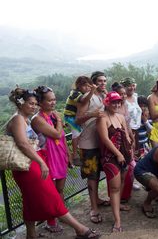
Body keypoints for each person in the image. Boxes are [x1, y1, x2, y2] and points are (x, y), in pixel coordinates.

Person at [6, 87, 99, 239]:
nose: (34, 106)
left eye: (35, 103)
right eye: (30, 103)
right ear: (20, 103)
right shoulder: (18, 119)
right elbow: (23, 144)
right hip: (31, 165)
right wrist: (41, 163)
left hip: (30, 164)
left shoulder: (24, 119)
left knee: (30, 202)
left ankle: (31, 235)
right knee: (52, 197)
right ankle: (80, 229)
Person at [31, 86, 69, 232]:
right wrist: (59, 121)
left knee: (59, 189)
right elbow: (57, 134)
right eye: (49, 100)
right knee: (50, 191)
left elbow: (63, 138)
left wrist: (69, 155)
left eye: (54, 99)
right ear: (40, 102)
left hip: (59, 155)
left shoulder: (53, 115)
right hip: (47, 157)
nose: (53, 103)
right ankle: (50, 221)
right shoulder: (37, 119)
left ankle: (61, 214)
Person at [75, 71, 109, 224]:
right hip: (88, 144)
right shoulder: (84, 98)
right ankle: (94, 208)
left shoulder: (100, 96)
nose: (103, 84)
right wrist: (92, 115)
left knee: (100, 173)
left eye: (104, 81)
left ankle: (98, 200)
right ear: (92, 84)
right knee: (92, 177)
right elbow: (77, 120)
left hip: (101, 140)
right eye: (99, 81)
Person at [97, 91, 133, 232]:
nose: (117, 104)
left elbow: (126, 135)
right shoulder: (102, 118)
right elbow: (105, 139)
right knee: (114, 188)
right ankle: (117, 221)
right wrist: (118, 154)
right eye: (113, 102)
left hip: (124, 155)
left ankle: (117, 206)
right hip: (110, 157)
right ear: (107, 102)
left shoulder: (120, 116)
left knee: (122, 182)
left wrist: (129, 149)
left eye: (118, 102)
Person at [63, 76, 95, 166]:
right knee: (76, 132)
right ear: (78, 86)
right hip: (70, 116)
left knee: (80, 132)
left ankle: (78, 151)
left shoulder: (81, 93)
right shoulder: (75, 93)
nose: (87, 88)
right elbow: (84, 101)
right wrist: (92, 91)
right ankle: (75, 155)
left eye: (89, 86)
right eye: (84, 86)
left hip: (73, 116)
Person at [120, 77, 142, 150]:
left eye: (133, 85)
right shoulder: (122, 100)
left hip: (138, 130)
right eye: (129, 86)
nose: (131, 88)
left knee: (138, 153)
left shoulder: (135, 96)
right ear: (124, 87)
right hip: (128, 131)